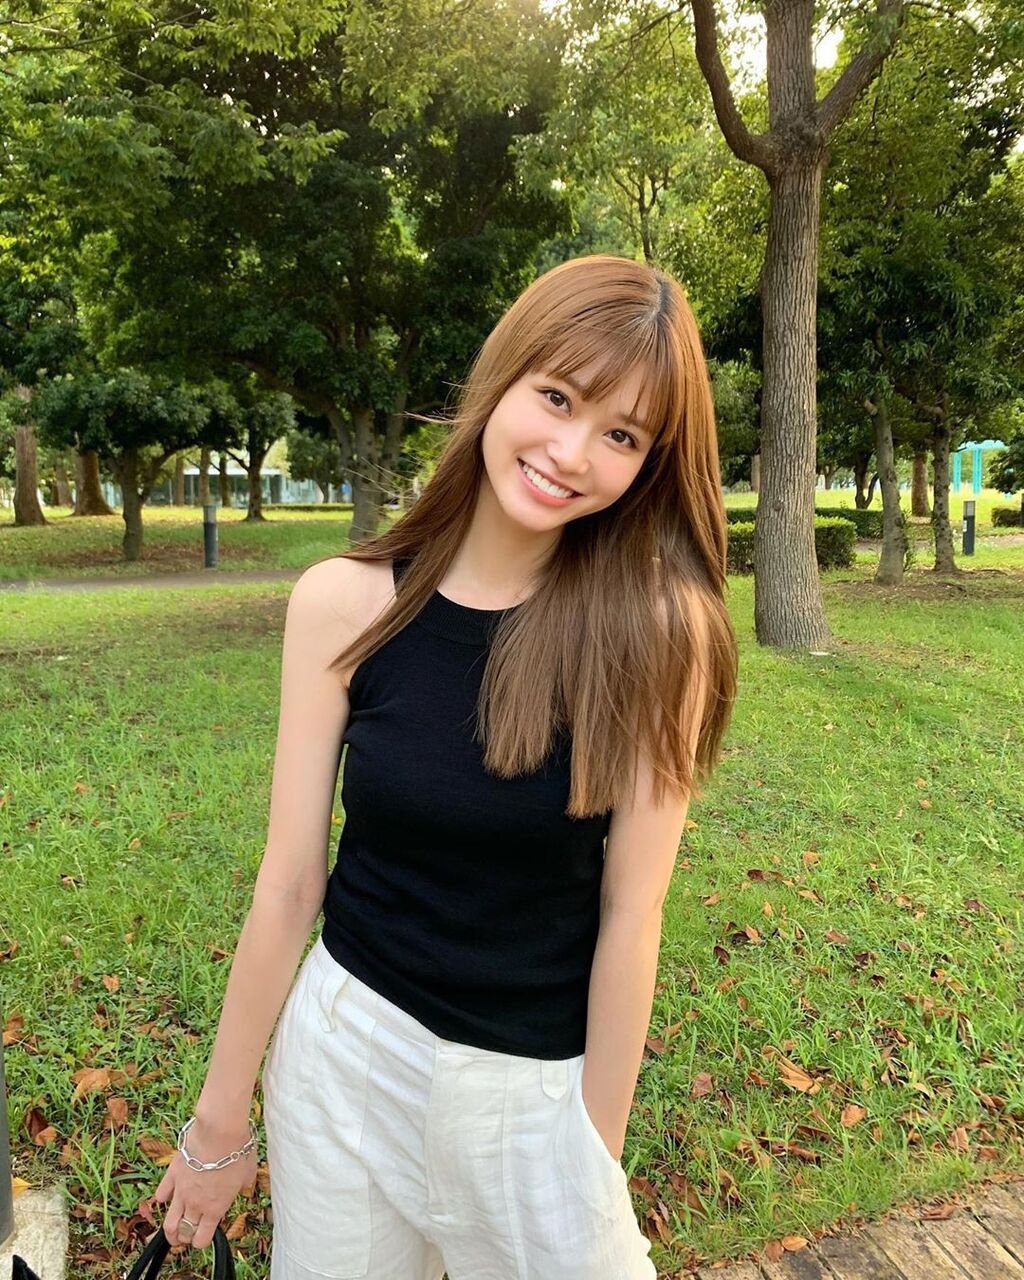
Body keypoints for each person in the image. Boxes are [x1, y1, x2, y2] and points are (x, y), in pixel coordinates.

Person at [152, 253, 738, 1278]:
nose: (570, 452)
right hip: (345, 1062)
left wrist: (591, 1156)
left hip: (533, 1099)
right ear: (503, 380)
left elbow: (631, 912)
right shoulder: (345, 603)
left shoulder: (660, 635)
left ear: (650, 462)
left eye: (621, 434)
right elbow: (289, 883)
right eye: (556, 397)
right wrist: (217, 1126)